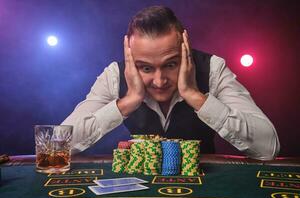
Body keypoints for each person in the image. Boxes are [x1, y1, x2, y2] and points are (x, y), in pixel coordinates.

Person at [62, 5, 280, 160]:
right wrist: (128, 102)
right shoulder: (114, 75)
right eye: (146, 68)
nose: (159, 81)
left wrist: (195, 96)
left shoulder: (212, 68)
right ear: (130, 56)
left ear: (185, 51)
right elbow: (60, 144)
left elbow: (268, 147)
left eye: (171, 64)